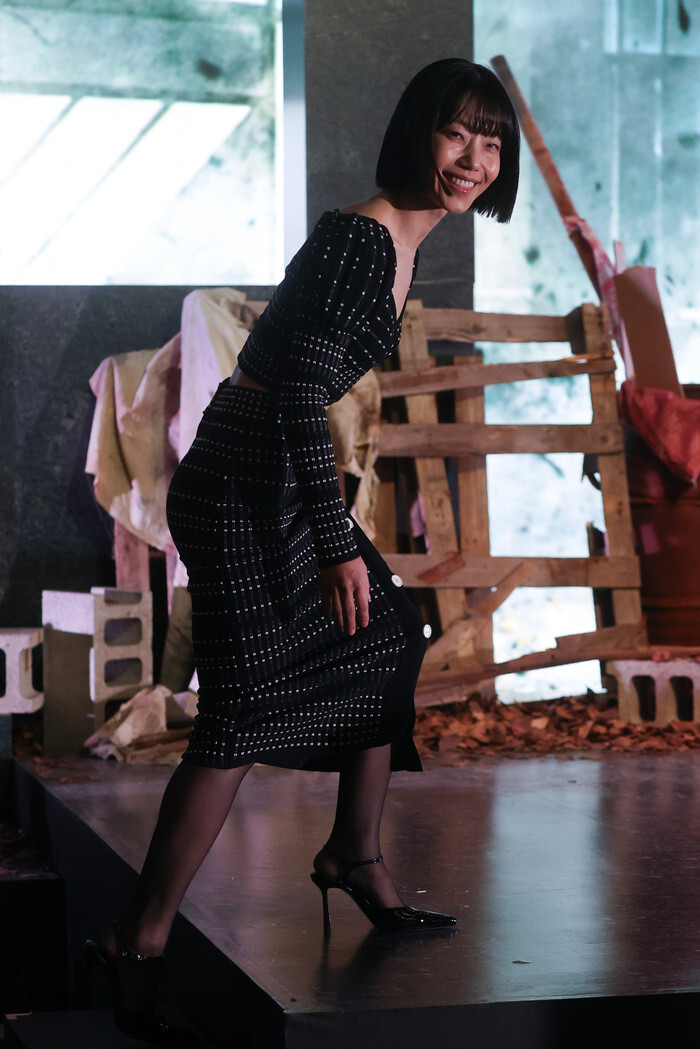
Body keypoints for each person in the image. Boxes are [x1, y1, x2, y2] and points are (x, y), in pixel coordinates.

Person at [85, 57, 520, 1046]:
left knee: (389, 631)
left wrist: (335, 544)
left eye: (491, 142)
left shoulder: (399, 242)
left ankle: (352, 853)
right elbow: (291, 394)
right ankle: (135, 938)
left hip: (266, 469)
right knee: (237, 715)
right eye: (457, 133)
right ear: (418, 134)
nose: (474, 158)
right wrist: (335, 544)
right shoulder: (364, 240)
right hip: (244, 480)